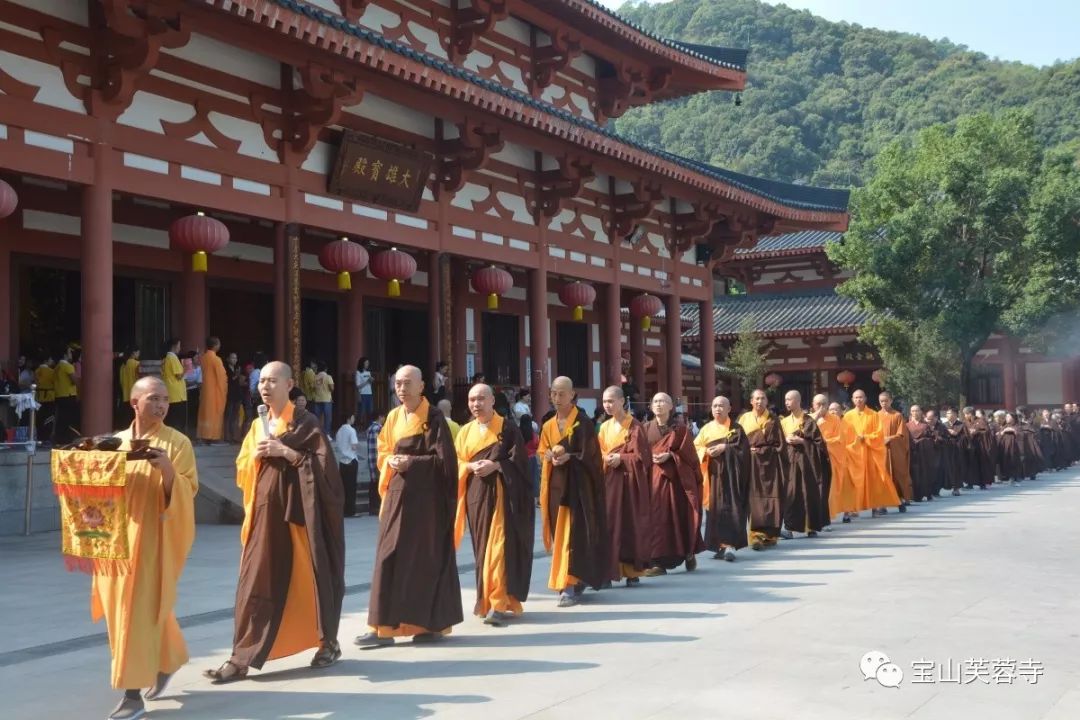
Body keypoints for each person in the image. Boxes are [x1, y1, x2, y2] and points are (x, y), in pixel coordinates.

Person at [204, 361, 345, 683]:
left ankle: (327, 642)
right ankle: (241, 657)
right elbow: (243, 466)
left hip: (300, 517)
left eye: (272, 381)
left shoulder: (307, 423)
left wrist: (288, 453)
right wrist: (254, 458)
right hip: (266, 514)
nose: (265, 387)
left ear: (290, 384)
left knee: (312, 575)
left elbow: (327, 472)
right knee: (255, 581)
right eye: (262, 381)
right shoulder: (258, 425)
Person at [98, 377, 198, 720]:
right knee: (126, 611)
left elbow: (189, 491)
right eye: (153, 398)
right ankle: (167, 660)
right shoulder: (115, 442)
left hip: (155, 541)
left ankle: (131, 695)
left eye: (165, 400)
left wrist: (167, 470)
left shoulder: (177, 443)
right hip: (113, 543)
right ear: (134, 403)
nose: (161, 405)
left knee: (136, 613)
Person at [356, 365, 462, 647]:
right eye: (398, 383)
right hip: (397, 493)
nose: (401, 389)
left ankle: (426, 624)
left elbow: (445, 463)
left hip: (426, 501)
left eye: (407, 383)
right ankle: (383, 626)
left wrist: (412, 463)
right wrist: (390, 460)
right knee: (387, 556)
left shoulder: (434, 418)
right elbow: (383, 449)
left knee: (423, 560)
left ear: (422, 386)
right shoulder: (393, 416)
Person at [453, 383, 535, 623]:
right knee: (482, 550)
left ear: (492, 401)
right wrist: (469, 466)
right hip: (476, 496)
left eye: (481, 399)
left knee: (498, 547)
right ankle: (487, 599)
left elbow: (519, 461)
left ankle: (498, 603)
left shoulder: (508, 429)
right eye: (471, 400)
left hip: (502, 495)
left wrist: (497, 465)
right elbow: (456, 462)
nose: (476, 404)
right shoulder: (465, 431)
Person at [538, 376, 607, 607]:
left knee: (573, 535)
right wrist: (548, 457)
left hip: (578, 489)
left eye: (562, 394)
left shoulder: (583, 423)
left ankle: (569, 584)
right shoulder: (547, 425)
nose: (557, 398)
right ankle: (568, 580)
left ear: (572, 395)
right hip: (557, 486)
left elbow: (593, 457)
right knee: (560, 536)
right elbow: (542, 452)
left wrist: (571, 456)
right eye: (553, 393)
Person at [642, 392, 704, 575]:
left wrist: (671, 455)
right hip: (652, 480)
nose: (659, 405)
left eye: (663, 401)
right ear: (651, 407)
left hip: (675, 481)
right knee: (656, 520)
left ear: (671, 407)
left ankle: (687, 551)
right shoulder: (644, 429)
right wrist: (649, 457)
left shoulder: (680, 430)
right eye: (656, 402)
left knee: (678, 517)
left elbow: (691, 457)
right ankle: (657, 562)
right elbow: (638, 453)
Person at [597, 385, 651, 586]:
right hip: (609, 481)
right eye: (604, 401)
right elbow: (599, 451)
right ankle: (608, 571)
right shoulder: (603, 427)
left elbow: (642, 457)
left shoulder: (635, 426)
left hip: (629, 483)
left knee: (629, 525)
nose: (608, 405)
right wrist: (606, 458)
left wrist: (621, 457)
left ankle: (631, 571)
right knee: (609, 526)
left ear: (622, 401)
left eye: (611, 401)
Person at [695, 395, 751, 561]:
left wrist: (725, 447)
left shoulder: (737, 428)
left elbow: (744, 451)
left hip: (732, 477)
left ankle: (729, 546)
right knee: (714, 511)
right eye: (714, 406)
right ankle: (719, 546)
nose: (717, 409)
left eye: (721, 406)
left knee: (732, 509)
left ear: (729, 409)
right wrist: (706, 452)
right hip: (713, 477)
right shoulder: (706, 429)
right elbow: (695, 447)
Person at [738, 389, 784, 550]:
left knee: (771, 498)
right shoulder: (744, 419)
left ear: (767, 401)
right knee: (753, 500)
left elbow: (780, 445)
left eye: (762, 398)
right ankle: (755, 536)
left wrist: (763, 450)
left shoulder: (773, 419)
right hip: (750, 465)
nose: (759, 401)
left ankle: (770, 535)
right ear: (751, 401)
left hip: (769, 466)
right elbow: (737, 440)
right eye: (756, 398)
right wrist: (745, 448)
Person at [779, 390, 829, 538]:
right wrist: (785, 441)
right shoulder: (783, 421)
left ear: (798, 401)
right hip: (790, 462)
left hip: (807, 463)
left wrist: (802, 441)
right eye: (786, 400)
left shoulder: (808, 420)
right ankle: (789, 528)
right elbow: (778, 442)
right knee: (791, 494)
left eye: (790, 399)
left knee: (808, 493)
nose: (787, 402)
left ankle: (810, 527)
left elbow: (819, 444)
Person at [844, 389, 900, 517]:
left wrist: (866, 437)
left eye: (861, 397)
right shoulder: (847, 416)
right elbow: (844, 436)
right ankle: (853, 508)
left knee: (873, 481)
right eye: (856, 397)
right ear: (852, 400)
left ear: (865, 398)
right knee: (854, 481)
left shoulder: (873, 414)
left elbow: (879, 434)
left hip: (871, 453)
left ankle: (875, 508)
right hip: (854, 454)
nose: (859, 400)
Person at [815, 396, 855, 523]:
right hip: (816, 457)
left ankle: (842, 513)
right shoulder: (811, 419)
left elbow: (840, 439)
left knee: (838, 488)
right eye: (818, 404)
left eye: (825, 405)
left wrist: (824, 442)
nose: (832, 411)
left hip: (837, 458)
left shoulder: (838, 421)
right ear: (813, 405)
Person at [879, 392, 912, 509]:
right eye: (881, 401)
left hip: (895, 451)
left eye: (886, 401)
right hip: (881, 451)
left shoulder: (897, 415)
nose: (884, 403)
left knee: (898, 475)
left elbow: (902, 434)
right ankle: (883, 504)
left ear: (891, 401)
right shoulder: (876, 416)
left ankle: (900, 500)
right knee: (884, 476)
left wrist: (890, 438)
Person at [197, 338, 227, 445]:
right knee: (214, 413)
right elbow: (222, 377)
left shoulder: (203, 358)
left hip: (205, 391)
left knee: (205, 413)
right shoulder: (216, 359)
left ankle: (204, 436)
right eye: (219, 344)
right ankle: (214, 437)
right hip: (214, 392)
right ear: (215, 346)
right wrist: (224, 387)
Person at [907, 406, 936, 502]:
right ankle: (915, 495)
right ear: (910, 413)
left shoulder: (925, 425)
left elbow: (931, 439)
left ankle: (927, 493)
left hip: (924, 453)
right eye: (913, 411)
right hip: (912, 452)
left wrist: (923, 441)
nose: (915, 413)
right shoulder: (907, 425)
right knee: (914, 473)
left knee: (925, 472)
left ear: (920, 412)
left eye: (917, 410)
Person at [54, 345, 80, 444]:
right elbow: (76, 380)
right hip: (68, 395)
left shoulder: (57, 367)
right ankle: (66, 439)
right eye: (69, 352)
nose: (71, 355)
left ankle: (59, 439)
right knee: (68, 419)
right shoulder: (68, 366)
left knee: (60, 419)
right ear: (65, 354)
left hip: (59, 395)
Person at [335, 414, 360, 517]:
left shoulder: (339, 431)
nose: (354, 419)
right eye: (353, 417)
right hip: (351, 459)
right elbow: (354, 446)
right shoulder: (351, 430)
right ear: (349, 418)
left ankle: (344, 510)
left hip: (342, 461)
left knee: (344, 487)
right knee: (351, 487)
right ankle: (351, 511)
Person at [161, 339, 187, 433]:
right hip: (177, 394)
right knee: (177, 421)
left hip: (170, 391)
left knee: (171, 419)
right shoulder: (172, 358)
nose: (180, 348)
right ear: (174, 346)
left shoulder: (166, 358)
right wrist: (186, 369)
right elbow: (179, 375)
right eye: (179, 345)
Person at [942, 407, 967, 496]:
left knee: (956, 468)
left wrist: (956, 435)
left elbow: (966, 437)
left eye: (951, 413)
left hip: (958, 449)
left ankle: (956, 488)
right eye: (948, 413)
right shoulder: (943, 425)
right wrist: (948, 432)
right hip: (947, 449)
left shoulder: (961, 425)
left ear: (956, 415)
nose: (949, 415)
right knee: (947, 468)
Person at [997, 412, 1025, 485]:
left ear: (1013, 418)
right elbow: (999, 435)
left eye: (1008, 417)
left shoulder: (1017, 426)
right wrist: (1003, 432)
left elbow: (1021, 436)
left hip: (1014, 448)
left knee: (1014, 462)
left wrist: (1014, 431)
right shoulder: (1004, 426)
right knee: (1006, 462)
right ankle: (1007, 476)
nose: (1007, 418)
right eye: (1006, 417)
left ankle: (1014, 477)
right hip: (1005, 448)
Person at [365, 411, 385, 516]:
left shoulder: (369, 429)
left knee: (373, 483)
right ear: (380, 417)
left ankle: (372, 507)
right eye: (383, 417)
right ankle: (378, 507)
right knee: (379, 483)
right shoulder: (379, 428)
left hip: (371, 458)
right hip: (379, 459)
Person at [224, 352, 245, 444]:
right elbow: (229, 380)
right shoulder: (225, 369)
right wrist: (236, 375)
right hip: (229, 395)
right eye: (232, 358)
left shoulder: (237, 368)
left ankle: (235, 436)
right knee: (228, 416)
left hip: (237, 395)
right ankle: (227, 437)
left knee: (235, 416)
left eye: (235, 358)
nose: (234, 360)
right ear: (228, 359)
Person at [34, 355, 55, 443]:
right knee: (49, 418)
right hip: (49, 398)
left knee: (39, 418)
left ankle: (40, 437)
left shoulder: (37, 371)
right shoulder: (51, 372)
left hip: (39, 397)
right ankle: (46, 437)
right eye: (51, 359)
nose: (52, 361)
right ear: (46, 360)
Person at [520, 414, 540, 500]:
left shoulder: (517, 433)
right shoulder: (533, 435)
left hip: (520, 459)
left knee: (521, 478)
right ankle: (532, 497)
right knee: (533, 478)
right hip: (532, 459)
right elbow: (537, 445)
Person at [118, 348, 140, 425]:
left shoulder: (123, 366)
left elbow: (121, 381)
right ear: (134, 352)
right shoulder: (136, 364)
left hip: (125, 395)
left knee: (127, 419)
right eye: (138, 352)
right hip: (135, 395)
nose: (139, 354)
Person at [312, 361, 334, 435]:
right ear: (325, 369)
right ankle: (327, 434)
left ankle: (318, 434)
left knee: (317, 418)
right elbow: (332, 388)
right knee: (327, 418)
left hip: (317, 399)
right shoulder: (328, 377)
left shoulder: (315, 377)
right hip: (327, 399)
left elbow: (314, 388)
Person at [355, 357, 373, 425]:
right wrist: (367, 381)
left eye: (368, 363)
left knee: (370, 411)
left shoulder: (368, 372)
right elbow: (358, 386)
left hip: (369, 394)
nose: (367, 364)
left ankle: (370, 427)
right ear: (362, 363)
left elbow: (369, 383)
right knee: (361, 412)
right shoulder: (358, 372)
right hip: (362, 394)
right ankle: (359, 427)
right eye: (366, 363)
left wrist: (371, 381)